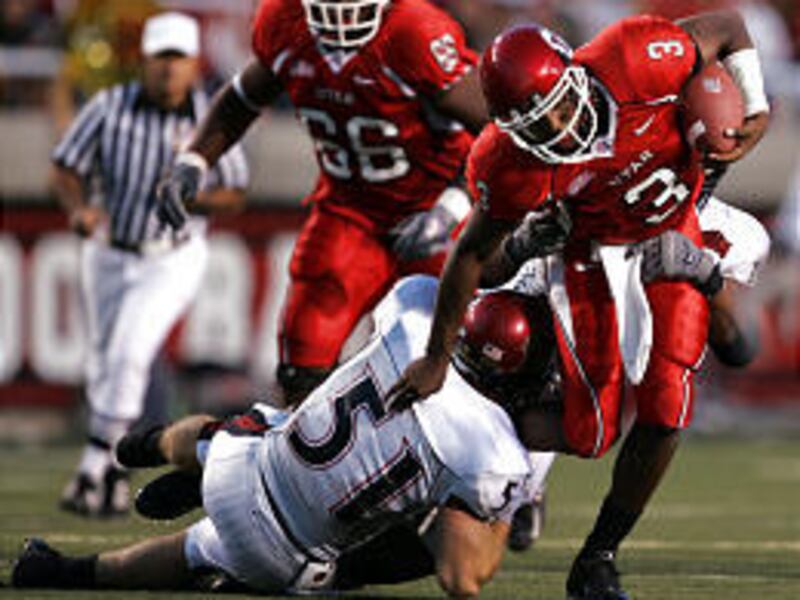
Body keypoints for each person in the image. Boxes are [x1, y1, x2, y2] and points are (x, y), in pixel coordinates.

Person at [387, 10, 770, 600]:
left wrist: (755, 99)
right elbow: (473, 260)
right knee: (590, 433)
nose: (563, 129)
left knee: (668, 406)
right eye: (540, 125)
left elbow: (726, 26)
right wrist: (439, 353)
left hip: (677, 228)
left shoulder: (635, 55)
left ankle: (598, 558)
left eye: (563, 106)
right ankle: (488, 441)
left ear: (576, 72)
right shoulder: (507, 160)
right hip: (588, 251)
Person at [12, 276, 556, 597]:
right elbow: (462, 577)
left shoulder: (416, 315)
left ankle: (156, 447)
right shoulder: (493, 452)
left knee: (247, 428)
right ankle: (60, 571)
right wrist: (511, 499)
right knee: (202, 552)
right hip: (285, 554)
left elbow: (446, 284)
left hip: (246, 465)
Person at [154, 0, 489, 407]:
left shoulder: (413, 32)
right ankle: (309, 462)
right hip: (350, 212)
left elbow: (494, 135)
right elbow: (244, 97)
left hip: (433, 209)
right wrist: (194, 159)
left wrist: (450, 207)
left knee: (469, 361)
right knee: (302, 360)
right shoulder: (284, 21)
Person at [52, 11, 249, 518]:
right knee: (102, 364)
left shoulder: (211, 116)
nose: (168, 69)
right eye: (160, 58)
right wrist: (79, 210)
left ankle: (97, 467)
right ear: (143, 61)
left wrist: (193, 200)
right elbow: (66, 162)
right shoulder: (109, 105)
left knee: (130, 351)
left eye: (178, 58)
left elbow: (236, 193)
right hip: (108, 249)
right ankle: (110, 477)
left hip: (172, 254)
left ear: (193, 64)